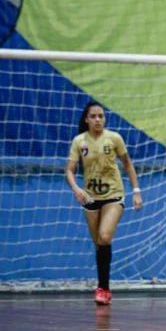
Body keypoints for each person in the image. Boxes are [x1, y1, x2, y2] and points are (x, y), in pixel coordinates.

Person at [65, 101, 143, 305]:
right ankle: (103, 285)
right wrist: (76, 189)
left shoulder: (114, 138)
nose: (98, 119)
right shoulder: (79, 141)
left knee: (105, 236)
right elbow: (69, 171)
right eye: (94, 116)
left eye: (101, 116)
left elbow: (127, 164)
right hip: (89, 196)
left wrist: (136, 191)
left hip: (114, 194)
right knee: (99, 243)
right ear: (86, 119)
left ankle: (104, 288)